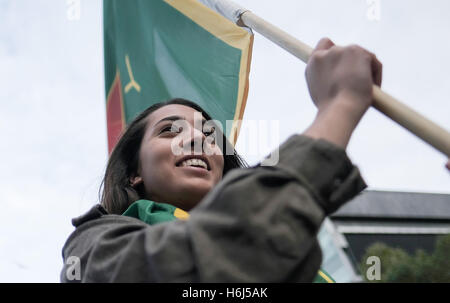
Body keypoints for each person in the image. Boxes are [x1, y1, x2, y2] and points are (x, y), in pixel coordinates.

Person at [60, 37, 382, 282]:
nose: (199, 138)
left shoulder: (299, 242)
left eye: (210, 135)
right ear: (134, 173)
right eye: (170, 131)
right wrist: (340, 106)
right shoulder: (95, 247)